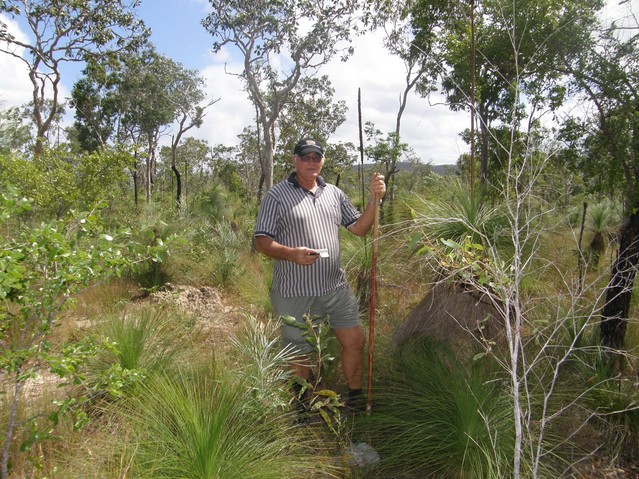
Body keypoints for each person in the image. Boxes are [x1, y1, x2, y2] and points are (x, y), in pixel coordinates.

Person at [254, 137, 386, 413]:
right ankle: (300, 410)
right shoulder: (277, 196)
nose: (311, 162)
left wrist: (375, 201)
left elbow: (360, 228)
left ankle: (355, 401)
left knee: (355, 341)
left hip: (334, 287)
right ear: (295, 160)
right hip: (294, 291)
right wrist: (292, 254)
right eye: (306, 157)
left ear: (322, 161)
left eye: (316, 157)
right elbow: (261, 241)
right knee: (299, 352)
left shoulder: (334, 194)